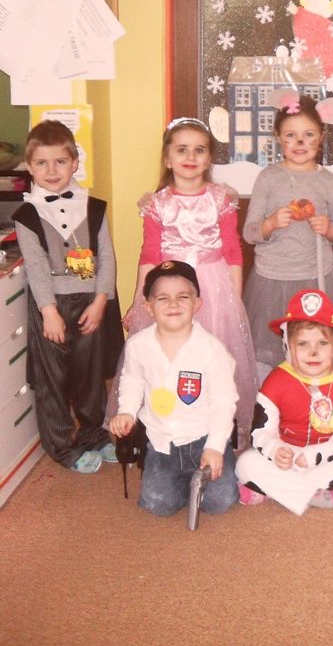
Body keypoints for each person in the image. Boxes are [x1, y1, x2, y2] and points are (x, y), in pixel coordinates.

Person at [107, 118, 257, 442]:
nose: (191, 156)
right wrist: (138, 301)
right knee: (166, 356)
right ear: (167, 158)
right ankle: (167, 424)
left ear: (209, 159)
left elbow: (233, 252)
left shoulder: (220, 199)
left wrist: (235, 298)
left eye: (199, 150)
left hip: (213, 286)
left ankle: (215, 428)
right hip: (169, 287)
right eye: (182, 149)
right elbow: (149, 255)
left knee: (214, 354)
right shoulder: (158, 204)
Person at [13, 120, 123, 474]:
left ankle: (94, 434)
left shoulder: (94, 207)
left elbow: (107, 258)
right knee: (53, 378)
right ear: (30, 167)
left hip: (90, 302)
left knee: (91, 374)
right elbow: (35, 267)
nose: (51, 170)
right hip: (52, 307)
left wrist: (101, 301)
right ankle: (62, 446)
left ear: (75, 162)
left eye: (60, 161)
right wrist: (49, 312)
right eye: (42, 163)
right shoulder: (27, 215)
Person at [108, 261, 239, 516]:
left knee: (220, 502)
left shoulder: (212, 350)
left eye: (183, 297)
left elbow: (224, 402)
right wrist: (127, 411)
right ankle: (182, 481)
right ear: (148, 307)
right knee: (158, 505)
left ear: (197, 304)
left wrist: (214, 446)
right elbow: (132, 380)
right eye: (162, 298)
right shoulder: (138, 345)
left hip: (203, 437)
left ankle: (222, 457)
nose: (173, 304)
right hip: (162, 441)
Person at [235, 289, 333, 513]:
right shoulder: (277, 380)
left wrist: (315, 456)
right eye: (302, 344)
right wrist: (275, 449)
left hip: (327, 457)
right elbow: (260, 431)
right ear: (287, 345)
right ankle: (323, 497)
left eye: (323, 343)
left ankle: (274, 489)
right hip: (285, 456)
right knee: (245, 464)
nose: (313, 352)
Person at [243, 94, 333, 384]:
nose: (300, 142)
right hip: (271, 279)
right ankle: (267, 401)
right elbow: (249, 233)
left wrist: (329, 229)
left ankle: (312, 400)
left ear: (321, 137)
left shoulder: (329, 182)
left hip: (316, 278)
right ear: (278, 138)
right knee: (268, 352)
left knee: (314, 347)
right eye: (291, 135)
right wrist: (270, 224)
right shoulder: (268, 178)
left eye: (309, 134)